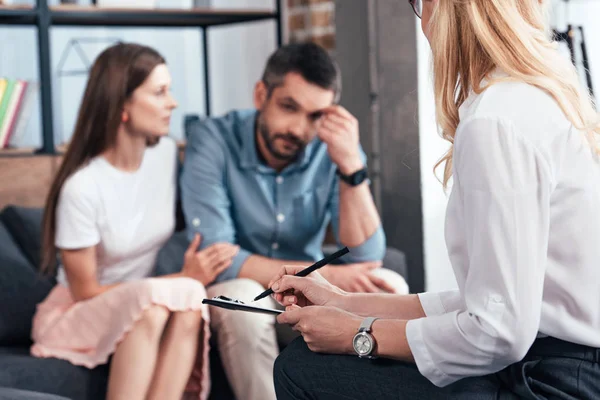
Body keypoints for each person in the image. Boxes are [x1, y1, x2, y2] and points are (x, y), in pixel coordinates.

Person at [270, 0, 600, 398]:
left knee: (302, 368)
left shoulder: (495, 119)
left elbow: (498, 331)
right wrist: (347, 303)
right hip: (566, 364)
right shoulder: (532, 97)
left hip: (552, 380)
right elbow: (489, 303)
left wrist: (358, 334)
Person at [180, 42, 409, 400]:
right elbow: (220, 257)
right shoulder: (213, 138)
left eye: (315, 115)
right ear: (261, 94)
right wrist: (327, 276)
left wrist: (351, 166)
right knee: (239, 300)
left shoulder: (328, 147)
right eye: (289, 107)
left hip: (304, 290)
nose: (299, 129)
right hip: (249, 286)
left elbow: (367, 253)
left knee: (390, 283)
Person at [31, 42, 239, 400]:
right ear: (122, 104)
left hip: (147, 301)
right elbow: (84, 291)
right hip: (81, 311)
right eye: (159, 92)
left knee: (188, 297)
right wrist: (178, 278)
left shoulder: (165, 156)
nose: (172, 102)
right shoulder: (82, 188)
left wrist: (182, 281)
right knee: (162, 299)